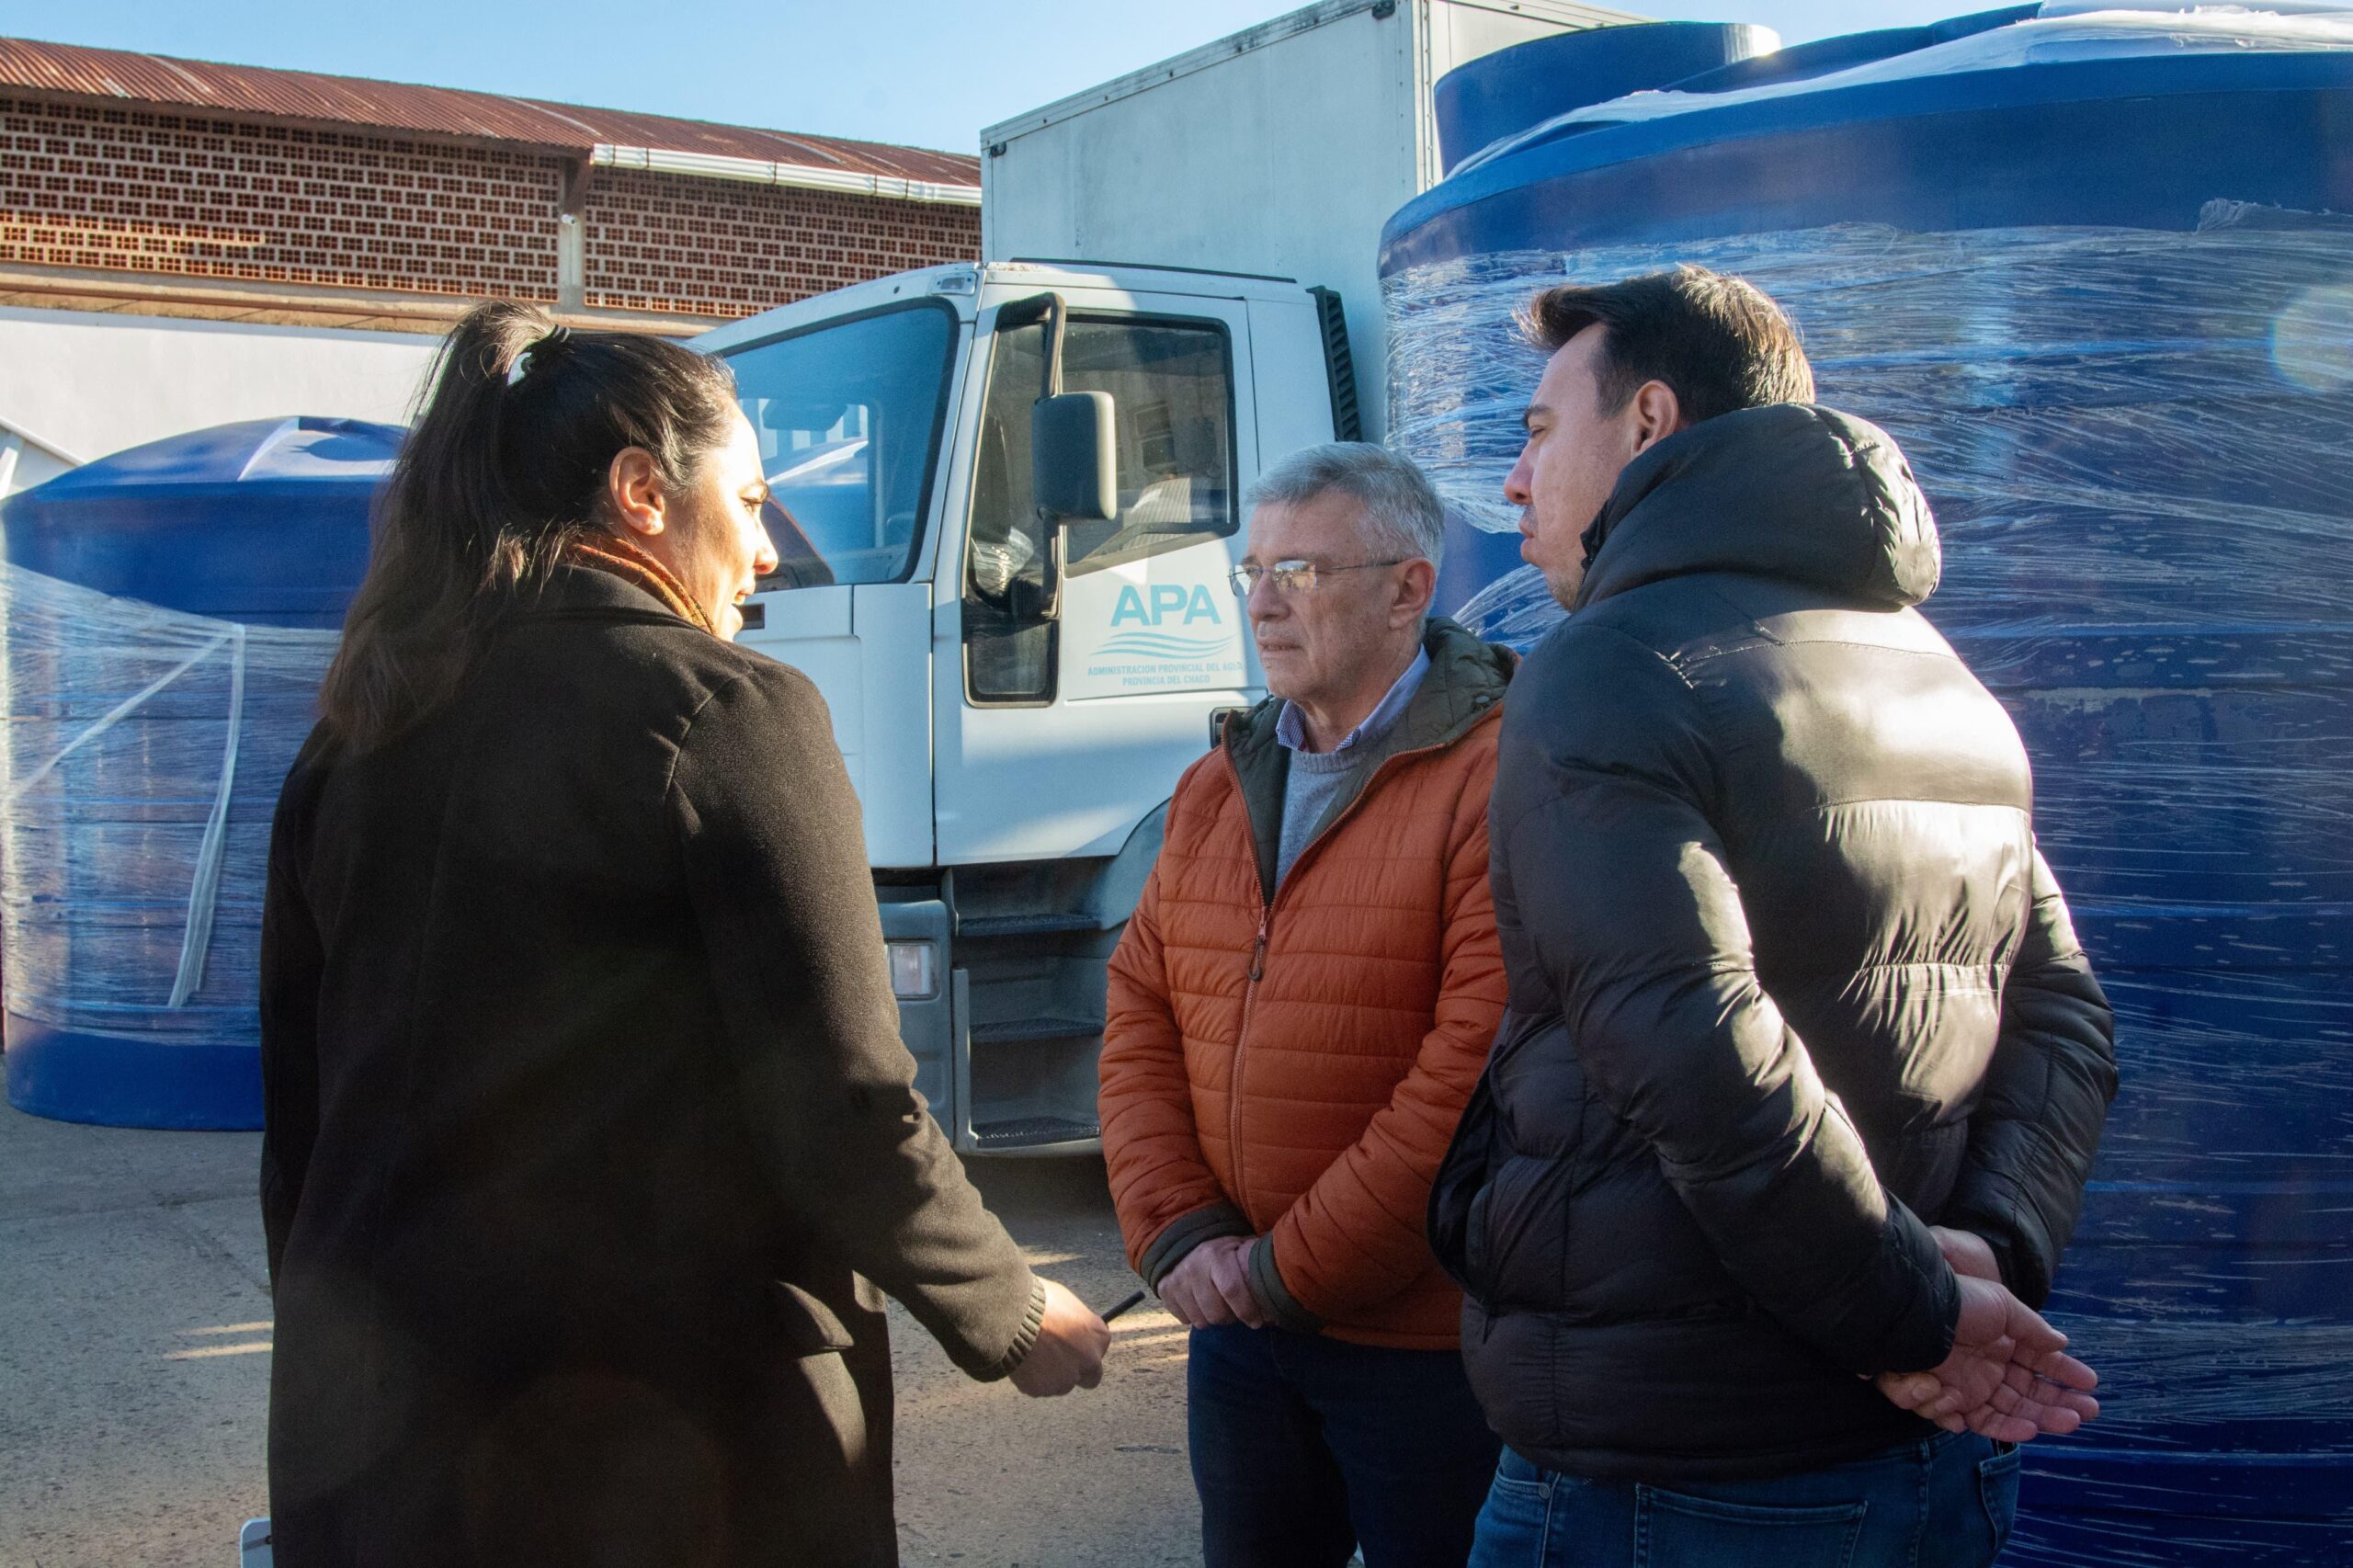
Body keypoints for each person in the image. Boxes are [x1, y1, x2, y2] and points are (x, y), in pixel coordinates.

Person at [258, 301, 1108, 1568]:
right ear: (643, 493)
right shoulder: (722, 712)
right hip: (656, 1440)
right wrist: (1012, 1305)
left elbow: (302, 1109)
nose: (766, 551)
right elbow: (844, 1097)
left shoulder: (356, 732)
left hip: (377, 1423)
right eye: (753, 500)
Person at [1425, 267, 2120, 1568]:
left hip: (1680, 1477)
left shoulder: (1609, 664)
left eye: (1537, 431)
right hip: (1928, 1453)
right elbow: (2066, 1014)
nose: (1513, 483)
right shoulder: (1934, 668)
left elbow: (1691, 1048)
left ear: (1647, 419)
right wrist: (1986, 1249)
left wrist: (1920, 1315)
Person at [1098, 443, 1515, 1568]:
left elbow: (1472, 1069)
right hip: (1238, 1333)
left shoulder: (1495, 773)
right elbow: (1138, 1004)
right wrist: (1183, 1230)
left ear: (1408, 588)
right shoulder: (1219, 780)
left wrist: (1282, 1271)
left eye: (1300, 571)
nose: (1262, 604)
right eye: (1252, 572)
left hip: (1420, 1348)